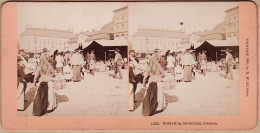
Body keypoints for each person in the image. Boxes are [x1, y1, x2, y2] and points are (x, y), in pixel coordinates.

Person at [33, 48, 56, 116]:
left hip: (42, 81)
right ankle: (49, 108)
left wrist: (34, 84)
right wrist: (50, 75)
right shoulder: (49, 65)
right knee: (50, 94)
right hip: (49, 81)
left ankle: (41, 108)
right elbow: (54, 74)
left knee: (40, 96)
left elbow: (35, 77)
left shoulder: (39, 67)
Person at [142, 48, 165, 116]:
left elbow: (145, 76)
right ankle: (159, 108)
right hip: (158, 81)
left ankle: (150, 108)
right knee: (159, 95)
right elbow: (163, 74)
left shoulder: (149, 67)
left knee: (150, 95)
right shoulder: (159, 66)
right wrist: (160, 76)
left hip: (151, 81)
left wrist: (144, 83)